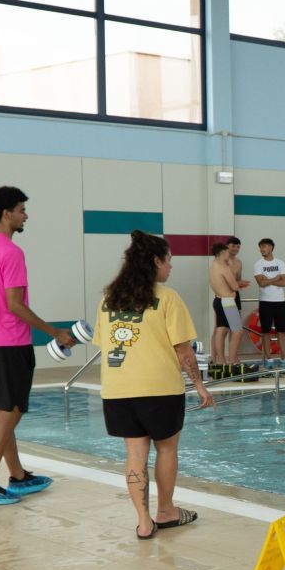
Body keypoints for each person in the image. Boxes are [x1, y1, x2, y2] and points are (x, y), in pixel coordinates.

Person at [92, 230, 214, 539]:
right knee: (166, 449)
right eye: (169, 260)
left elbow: (104, 344)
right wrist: (199, 385)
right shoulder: (167, 297)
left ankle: (144, 522)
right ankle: (167, 511)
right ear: (155, 261)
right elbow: (183, 350)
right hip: (160, 388)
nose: (171, 266)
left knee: (135, 452)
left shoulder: (109, 299)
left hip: (118, 390)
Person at [0, 185, 77, 505]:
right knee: (10, 412)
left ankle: (17, 476)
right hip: (10, 343)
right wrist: (53, 332)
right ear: (7, 213)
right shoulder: (11, 252)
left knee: (5, 413)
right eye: (21, 210)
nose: (25, 215)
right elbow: (15, 304)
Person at [208, 242, 243, 380]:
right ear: (223, 253)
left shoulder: (213, 266)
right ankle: (232, 360)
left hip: (218, 300)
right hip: (228, 302)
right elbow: (234, 286)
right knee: (237, 331)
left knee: (220, 329)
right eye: (228, 252)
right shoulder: (223, 267)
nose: (230, 255)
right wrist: (239, 283)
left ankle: (220, 361)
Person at [253, 238, 285, 368]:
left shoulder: (280, 263)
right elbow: (261, 282)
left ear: (272, 247)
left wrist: (269, 280)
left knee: (282, 330)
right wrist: (276, 278)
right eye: (260, 247)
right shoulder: (258, 264)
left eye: (265, 246)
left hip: (279, 301)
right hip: (265, 301)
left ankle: (284, 356)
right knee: (266, 331)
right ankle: (269, 358)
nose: (262, 249)